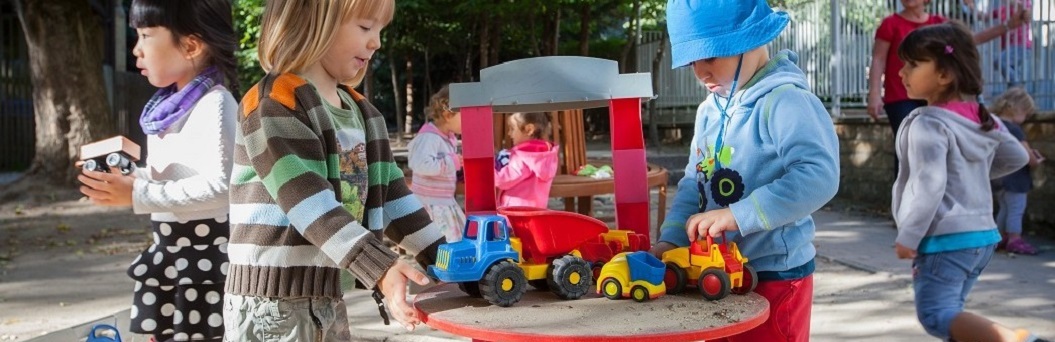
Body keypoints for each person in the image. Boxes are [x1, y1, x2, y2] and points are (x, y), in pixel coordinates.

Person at [223, 0, 445, 340]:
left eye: (380, 31)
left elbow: (395, 200)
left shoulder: (364, 115)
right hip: (271, 300)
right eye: (365, 27)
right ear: (314, 21)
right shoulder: (273, 104)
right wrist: (380, 267)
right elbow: (310, 203)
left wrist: (446, 261)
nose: (377, 42)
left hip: (327, 292)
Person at [651, 1, 840, 341]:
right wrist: (672, 239)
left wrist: (739, 215)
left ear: (751, 40)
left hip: (774, 273)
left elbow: (819, 175)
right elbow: (695, 182)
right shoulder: (710, 110)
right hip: (714, 269)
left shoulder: (785, 101)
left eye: (710, 57)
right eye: (692, 61)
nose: (700, 73)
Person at [77, 0, 239, 340]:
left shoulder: (215, 103)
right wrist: (129, 179)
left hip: (203, 260)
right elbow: (173, 174)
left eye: (146, 35)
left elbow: (222, 186)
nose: (136, 49)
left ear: (191, 45)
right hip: (170, 252)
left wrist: (138, 193)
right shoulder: (171, 106)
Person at [891, 22, 1044, 342]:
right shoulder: (982, 117)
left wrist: (909, 235)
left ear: (944, 75)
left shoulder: (928, 123)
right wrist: (965, 175)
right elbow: (1016, 156)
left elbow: (929, 185)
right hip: (982, 238)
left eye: (913, 64)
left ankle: (1020, 340)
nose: (902, 71)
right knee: (954, 311)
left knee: (937, 315)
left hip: (946, 238)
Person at [867, 0, 1029, 171]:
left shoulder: (939, 24)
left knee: (942, 146)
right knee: (908, 148)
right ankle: (908, 194)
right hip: (900, 97)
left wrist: (1008, 26)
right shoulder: (890, 24)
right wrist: (875, 94)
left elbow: (970, 40)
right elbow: (878, 59)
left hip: (937, 95)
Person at [407, 85, 465, 242]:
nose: (468, 120)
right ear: (448, 115)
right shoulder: (429, 138)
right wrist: (452, 162)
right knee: (443, 244)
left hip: (443, 202)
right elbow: (421, 164)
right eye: (464, 115)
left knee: (454, 241)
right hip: (431, 205)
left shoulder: (446, 138)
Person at [991, 87, 1044, 255]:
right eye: (1026, 114)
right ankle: (1015, 238)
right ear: (1017, 109)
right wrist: (1037, 160)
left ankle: (999, 238)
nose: (1026, 118)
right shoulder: (1014, 129)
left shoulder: (995, 125)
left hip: (999, 177)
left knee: (1004, 208)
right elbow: (1027, 156)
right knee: (1016, 209)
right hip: (1016, 179)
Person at [494, 112, 559, 208]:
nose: (509, 134)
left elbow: (502, 180)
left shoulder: (523, 157)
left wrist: (486, 167)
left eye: (512, 129)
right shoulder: (546, 155)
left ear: (529, 129)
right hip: (536, 210)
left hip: (515, 212)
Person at [993, 0, 1033, 87]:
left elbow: (1023, 7)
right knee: (1011, 77)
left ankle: (1017, 88)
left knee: (999, 61)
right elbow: (985, 16)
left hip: (1021, 45)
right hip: (1009, 47)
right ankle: (1015, 92)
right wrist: (971, 7)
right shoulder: (1003, 9)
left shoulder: (1024, 2)